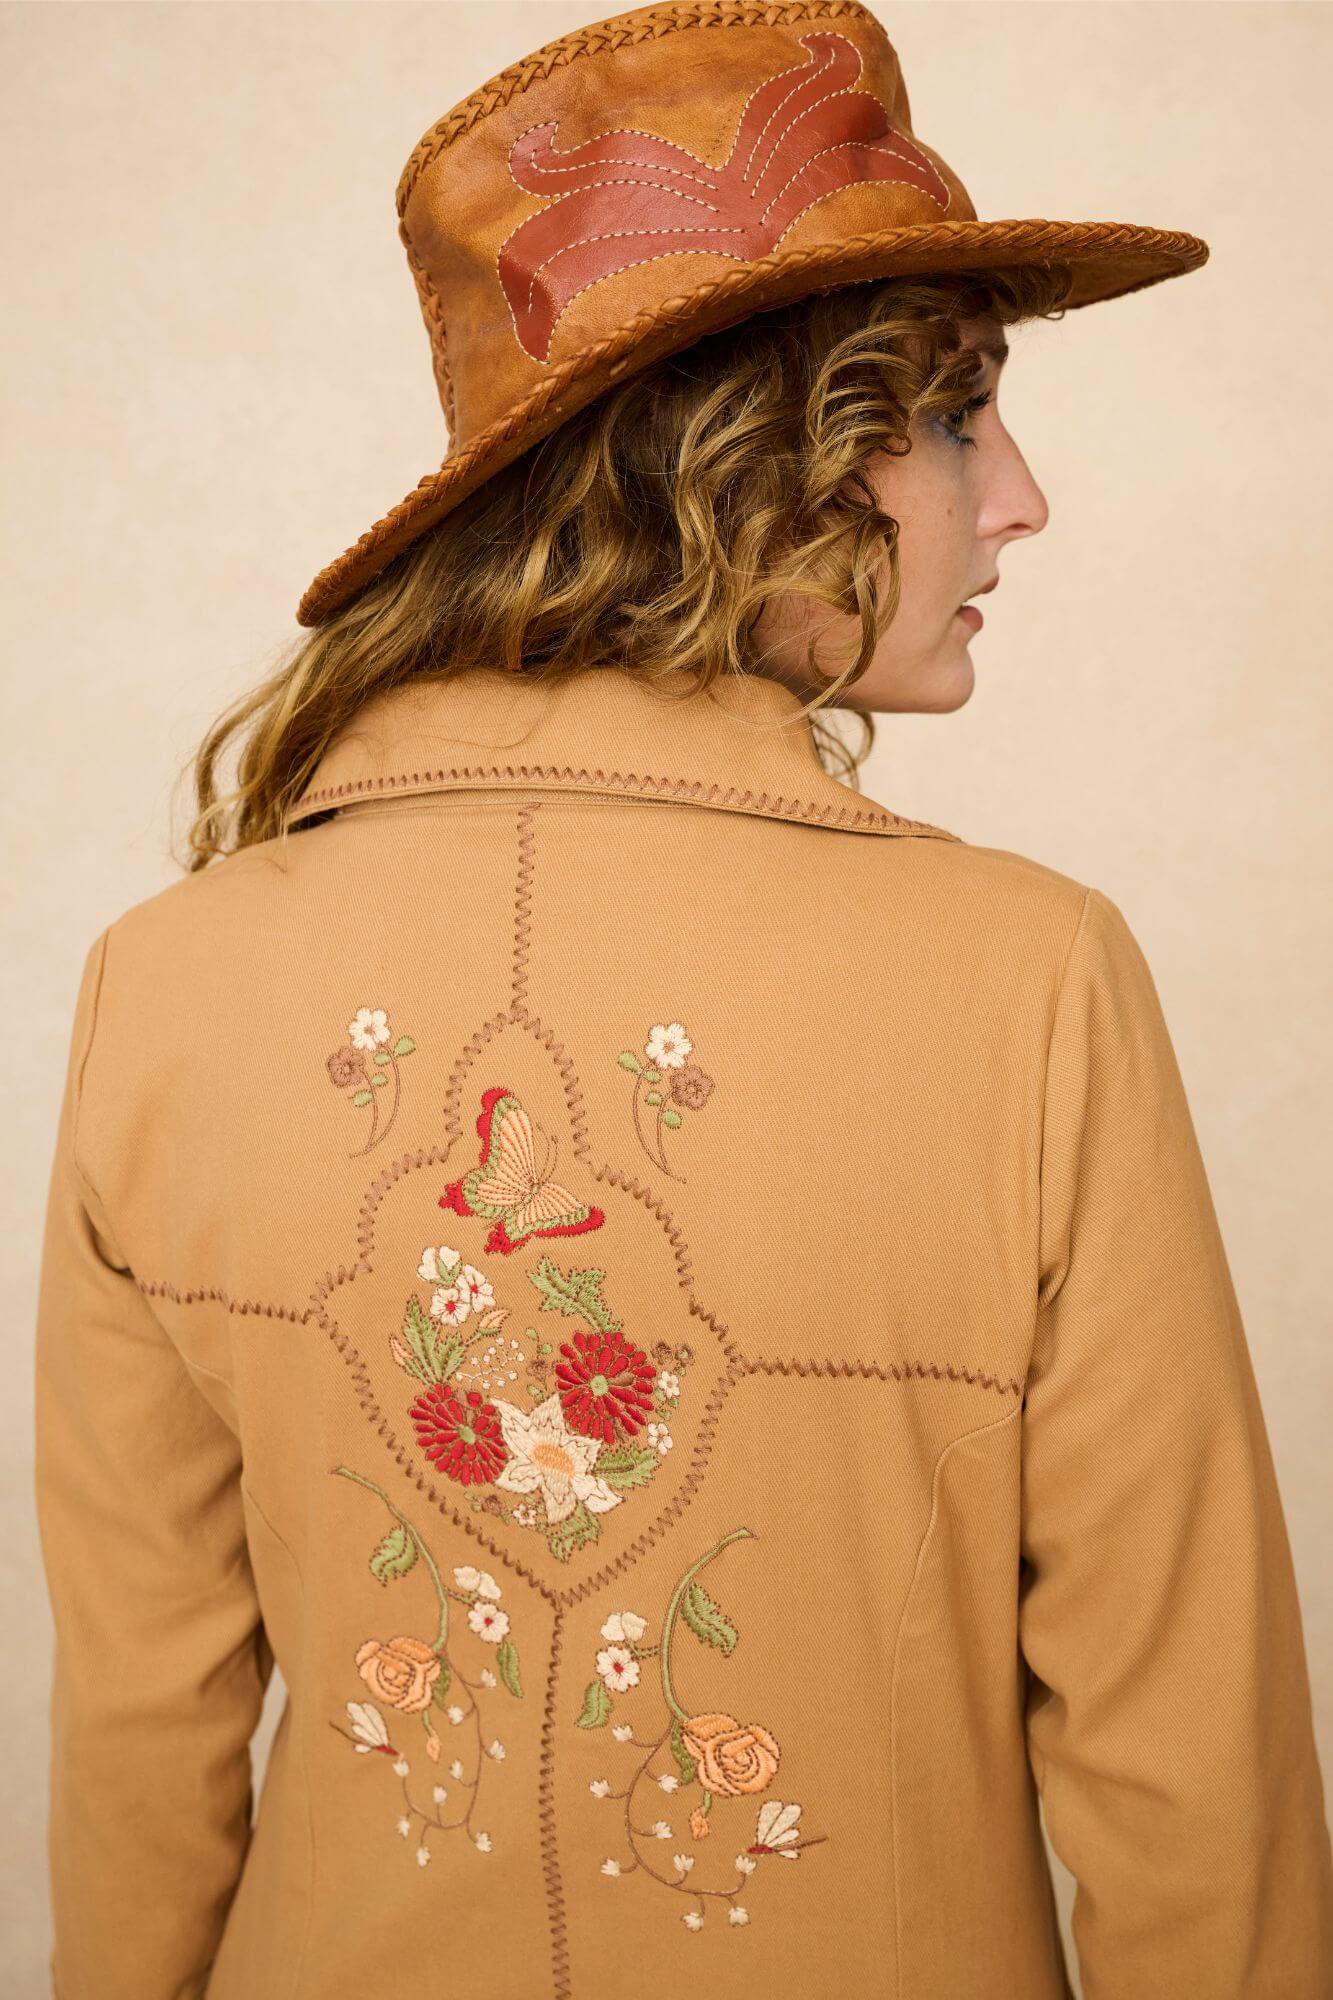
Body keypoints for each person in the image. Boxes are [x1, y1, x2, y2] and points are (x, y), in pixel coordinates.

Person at [33, 3, 1333, 1996]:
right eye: (960, 416)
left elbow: (141, 1753)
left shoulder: (162, 985)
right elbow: (1190, 1787)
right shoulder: (1032, 978)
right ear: (753, 453)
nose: (1020, 503)